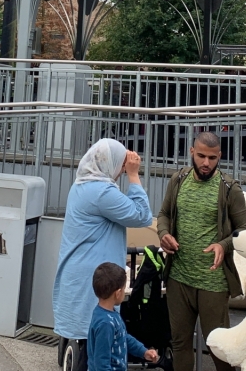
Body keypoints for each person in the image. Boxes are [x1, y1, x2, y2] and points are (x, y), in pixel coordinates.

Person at [53, 139, 152, 371]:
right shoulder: (101, 192)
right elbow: (142, 216)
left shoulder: (81, 185)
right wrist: (134, 175)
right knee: (97, 346)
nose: (121, 169)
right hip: (93, 277)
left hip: (81, 274)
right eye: (120, 164)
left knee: (89, 340)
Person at [157, 132, 246, 371]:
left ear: (220, 156)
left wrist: (223, 244)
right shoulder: (178, 180)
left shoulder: (230, 189)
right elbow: (164, 215)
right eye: (201, 156)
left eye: (212, 157)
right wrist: (164, 234)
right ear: (191, 152)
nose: (206, 163)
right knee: (180, 343)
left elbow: (244, 230)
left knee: (219, 347)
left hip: (214, 281)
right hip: (179, 276)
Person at [88, 262, 159, 371]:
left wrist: (143, 351)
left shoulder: (109, 313)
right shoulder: (105, 324)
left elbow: (123, 337)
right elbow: (101, 363)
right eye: (124, 288)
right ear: (118, 293)